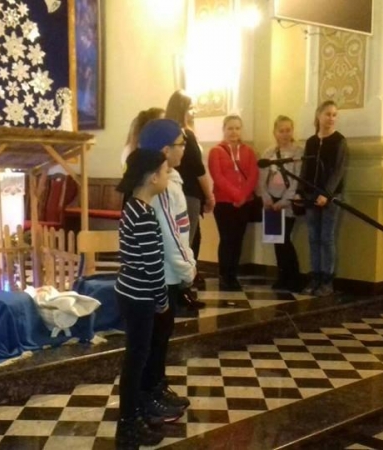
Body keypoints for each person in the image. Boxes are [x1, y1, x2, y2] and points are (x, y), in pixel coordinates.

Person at [114, 148, 182, 449]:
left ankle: (135, 414)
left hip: (130, 291)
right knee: (136, 361)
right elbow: (153, 267)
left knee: (136, 358)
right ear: (153, 177)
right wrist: (162, 301)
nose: (168, 176)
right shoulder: (143, 214)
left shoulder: (133, 206)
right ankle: (128, 425)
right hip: (140, 296)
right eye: (165, 171)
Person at [137, 119, 195, 411]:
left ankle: (157, 386)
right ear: (165, 150)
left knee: (161, 337)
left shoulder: (170, 180)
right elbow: (172, 235)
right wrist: (188, 269)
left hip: (167, 273)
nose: (185, 149)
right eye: (181, 144)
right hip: (164, 275)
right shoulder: (163, 187)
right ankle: (149, 394)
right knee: (156, 339)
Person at [297, 100, 348, 297]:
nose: (331, 118)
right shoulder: (311, 142)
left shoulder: (339, 141)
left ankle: (327, 280)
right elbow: (305, 167)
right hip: (311, 195)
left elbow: (338, 170)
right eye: (328, 114)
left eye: (334, 115)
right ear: (319, 116)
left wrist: (326, 194)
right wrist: (300, 190)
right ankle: (315, 277)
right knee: (313, 238)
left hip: (330, 198)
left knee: (326, 238)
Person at [165, 91, 216, 287]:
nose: (194, 111)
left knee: (180, 240)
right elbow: (198, 170)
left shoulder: (168, 133)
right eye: (191, 107)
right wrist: (209, 195)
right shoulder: (186, 135)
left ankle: (183, 286)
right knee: (185, 242)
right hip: (188, 195)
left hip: (172, 191)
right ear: (183, 109)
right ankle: (182, 289)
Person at [208, 115, 258, 291]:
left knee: (238, 240)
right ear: (224, 130)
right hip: (224, 203)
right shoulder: (216, 151)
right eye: (230, 128)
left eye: (237, 128)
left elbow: (253, 175)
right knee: (227, 239)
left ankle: (233, 275)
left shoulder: (249, 151)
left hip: (245, 202)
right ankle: (224, 275)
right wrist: (236, 195)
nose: (234, 132)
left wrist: (243, 196)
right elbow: (218, 176)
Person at [258, 115, 303, 291]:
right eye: (281, 131)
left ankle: (294, 277)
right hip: (271, 200)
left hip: (288, 201)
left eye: (288, 130)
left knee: (285, 239)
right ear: (275, 132)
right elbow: (261, 179)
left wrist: (285, 201)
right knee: (276, 240)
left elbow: (297, 180)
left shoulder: (298, 152)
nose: (285, 134)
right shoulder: (268, 153)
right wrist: (266, 197)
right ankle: (282, 276)